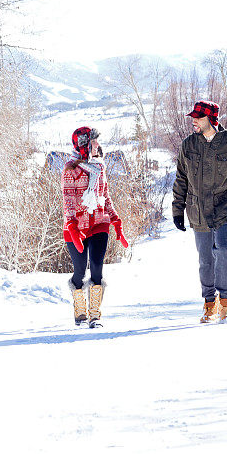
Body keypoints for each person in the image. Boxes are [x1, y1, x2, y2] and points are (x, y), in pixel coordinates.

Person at [172, 101, 227, 323]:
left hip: (226, 208)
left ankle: (225, 303)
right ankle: (209, 304)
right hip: (198, 210)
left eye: (198, 117)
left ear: (211, 119)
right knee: (206, 260)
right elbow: (181, 179)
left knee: (224, 250)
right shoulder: (188, 144)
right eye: (193, 117)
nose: (193, 120)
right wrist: (178, 210)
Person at [62, 126, 128, 328]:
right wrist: (73, 227)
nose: (98, 145)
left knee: (97, 266)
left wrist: (116, 221)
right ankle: (80, 309)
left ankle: (94, 315)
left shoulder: (100, 167)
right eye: (94, 141)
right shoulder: (70, 169)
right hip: (77, 228)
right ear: (83, 145)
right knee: (80, 270)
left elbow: (105, 197)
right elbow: (68, 201)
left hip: (99, 222)